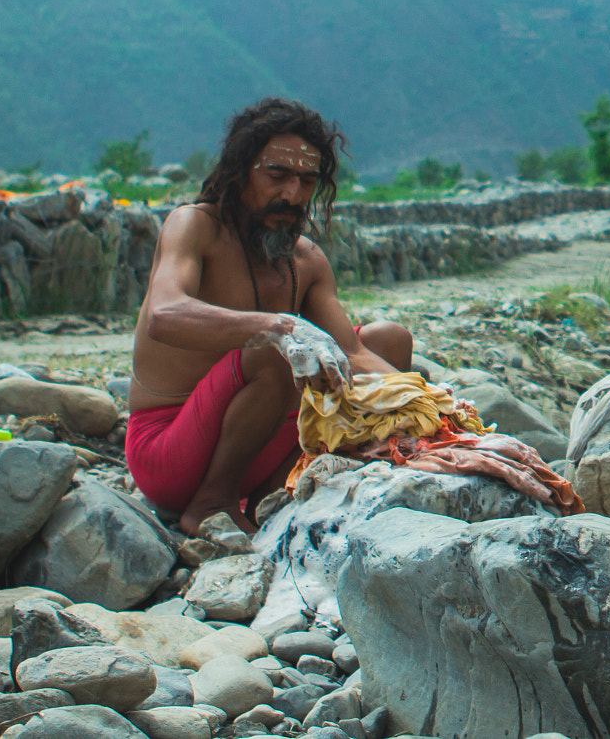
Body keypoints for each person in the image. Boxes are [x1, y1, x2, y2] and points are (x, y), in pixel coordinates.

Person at [125, 97, 412, 534]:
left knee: (390, 340)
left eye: (307, 181)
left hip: (256, 449)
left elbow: (353, 353)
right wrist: (274, 326)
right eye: (277, 176)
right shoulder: (194, 226)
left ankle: (273, 495)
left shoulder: (307, 260)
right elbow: (163, 315)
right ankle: (211, 505)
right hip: (169, 451)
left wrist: (433, 405)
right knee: (277, 347)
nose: (292, 195)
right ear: (241, 172)